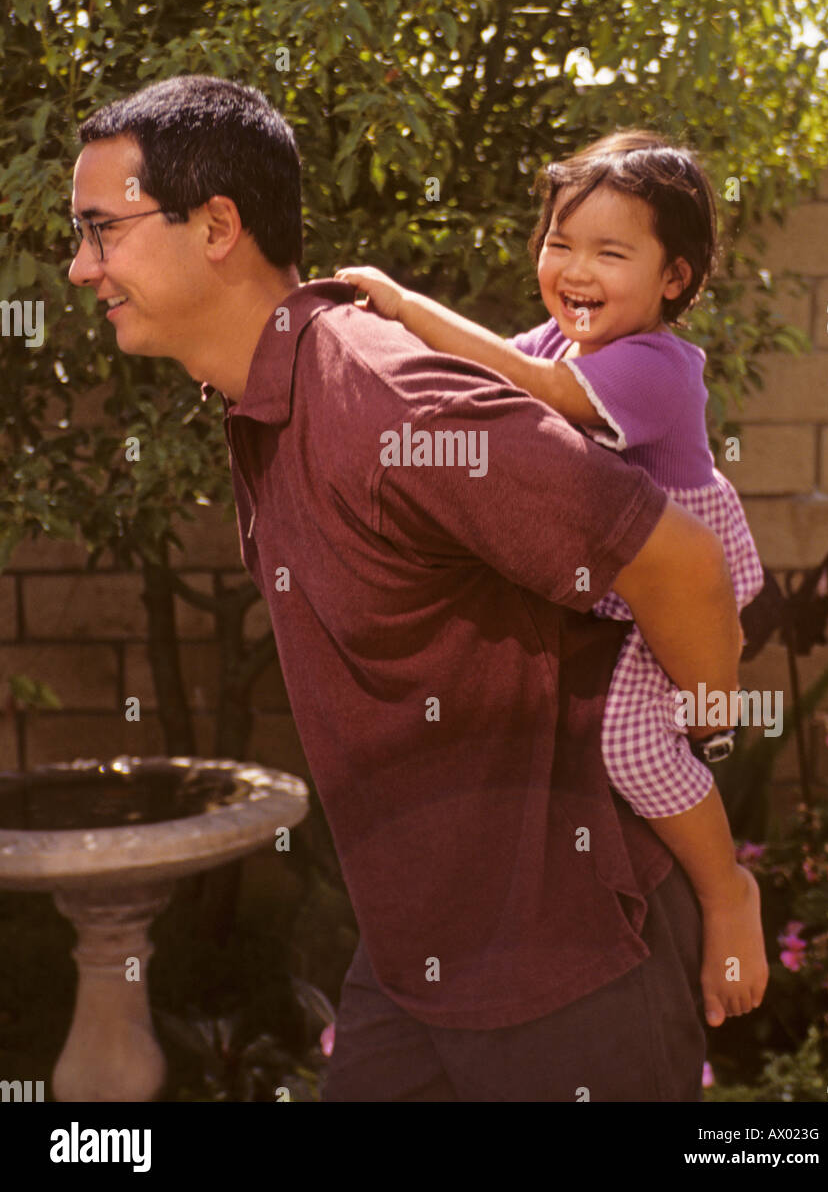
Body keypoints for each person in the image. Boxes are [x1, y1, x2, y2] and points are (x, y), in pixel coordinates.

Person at [69, 76, 746, 1102]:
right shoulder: (273, 400)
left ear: (215, 226)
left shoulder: (384, 401)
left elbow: (684, 564)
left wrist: (701, 754)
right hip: (412, 964)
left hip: (569, 974)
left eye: (100, 231)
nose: (81, 268)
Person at [336, 129, 769, 1032]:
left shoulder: (653, 367)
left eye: (610, 252)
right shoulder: (565, 338)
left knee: (635, 748)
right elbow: (479, 371)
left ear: (674, 279)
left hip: (676, 575)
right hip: (619, 573)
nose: (575, 268)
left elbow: (526, 385)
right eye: (560, 243)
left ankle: (727, 888)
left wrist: (405, 305)